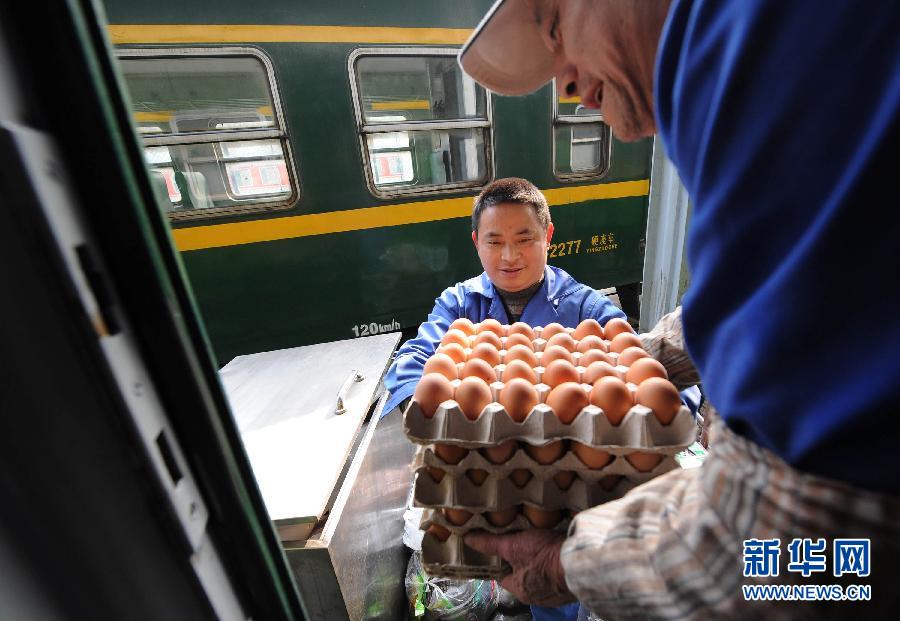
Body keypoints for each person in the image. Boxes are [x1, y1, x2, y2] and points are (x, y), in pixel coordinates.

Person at [458, 0, 900, 619]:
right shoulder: (773, 54)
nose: (567, 82)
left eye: (558, 30)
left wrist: (560, 566)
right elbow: (799, 290)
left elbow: (798, 552)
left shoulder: (768, 58)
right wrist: (643, 360)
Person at [382, 176, 626, 417]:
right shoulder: (458, 305)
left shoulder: (588, 310)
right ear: (477, 242)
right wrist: (424, 404)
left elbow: (629, 357)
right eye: (495, 242)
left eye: (524, 240)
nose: (509, 256)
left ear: (548, 236)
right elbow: (414, 358)